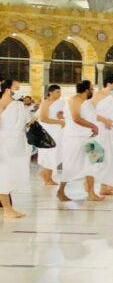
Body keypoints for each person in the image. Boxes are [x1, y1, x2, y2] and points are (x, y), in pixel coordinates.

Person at [57, 80, 102, 202]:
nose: (93, 91)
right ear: (87, 90)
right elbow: (76, 118)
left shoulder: (86, 102)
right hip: (74, 138)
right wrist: (93, 126)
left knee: (95, 162)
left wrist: (93, 127)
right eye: (92, 89)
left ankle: (91, 193)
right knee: (71, 164)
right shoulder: (74, 100)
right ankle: (60, 191)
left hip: (89, 137)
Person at [0, 79, 31, 218]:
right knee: (4, 174)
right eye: (17, 88)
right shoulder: (4, 104)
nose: (20, 91)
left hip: (16, 143)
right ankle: (7, 208)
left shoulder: (17, 104)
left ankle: (8, 207)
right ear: (8, 89)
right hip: (5, 143)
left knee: (11, 174)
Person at [37, 84, 65, 187]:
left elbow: (61, 114)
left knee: (56, 153)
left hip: (58, 132)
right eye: (57, 92)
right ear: (51, 92)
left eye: (60, 92)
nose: (60, 94)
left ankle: (47, 175)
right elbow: (43, 118)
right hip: (48, 131)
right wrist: (59, 122)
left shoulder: (61, 103)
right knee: (49, 153)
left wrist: (62, 116)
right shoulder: (46, 103)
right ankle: (47, 177)